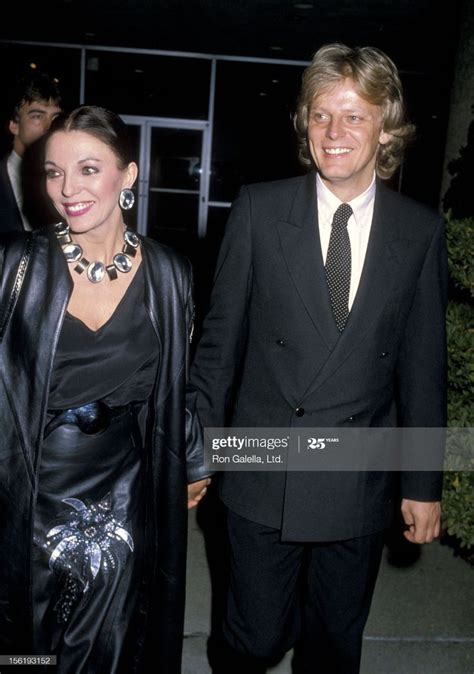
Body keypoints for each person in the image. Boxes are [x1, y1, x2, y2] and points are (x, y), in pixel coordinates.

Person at [189, 43, 447, 674]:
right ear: (305, 123)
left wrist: (421, 483)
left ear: (386, 126)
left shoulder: (418, 231)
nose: (335, 132)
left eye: (354, 115)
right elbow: (219, 345)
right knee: (253, 638)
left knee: (335, 643)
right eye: (321, 114)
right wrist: (199, 450)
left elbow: (421, 367)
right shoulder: (259, 209)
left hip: (358, 477)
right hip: (262, 467)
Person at [0, 105, 210, 673]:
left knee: (113, 643)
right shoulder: (15, 265)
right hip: (29, 485)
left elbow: (176, 380)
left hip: (124, 488)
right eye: (52, 172)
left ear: (130, 176)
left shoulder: (169, 274)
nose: (67, 190)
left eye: (88, 169)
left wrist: (193, 457)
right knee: (27, 646)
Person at [0, 70, 62, 233]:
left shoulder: (66, 182)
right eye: (37, 116)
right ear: (14, 125)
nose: (49, 127)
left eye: (55, 118)